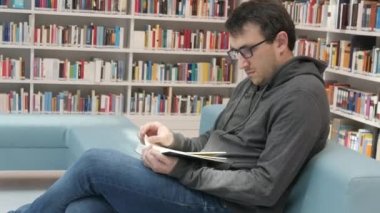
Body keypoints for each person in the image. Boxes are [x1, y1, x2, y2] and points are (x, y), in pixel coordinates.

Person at [10, 1, 330, 212]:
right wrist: (174, 143)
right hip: (206, 186)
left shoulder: (301, 96)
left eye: (246, 51)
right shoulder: (253, 83)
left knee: (95, 163)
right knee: (83, 209)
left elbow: (264, 188)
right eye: (235, 54)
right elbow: (213, 146)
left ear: (281, 42)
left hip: (225, 206)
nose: (241, 63)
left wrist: (182, 171)